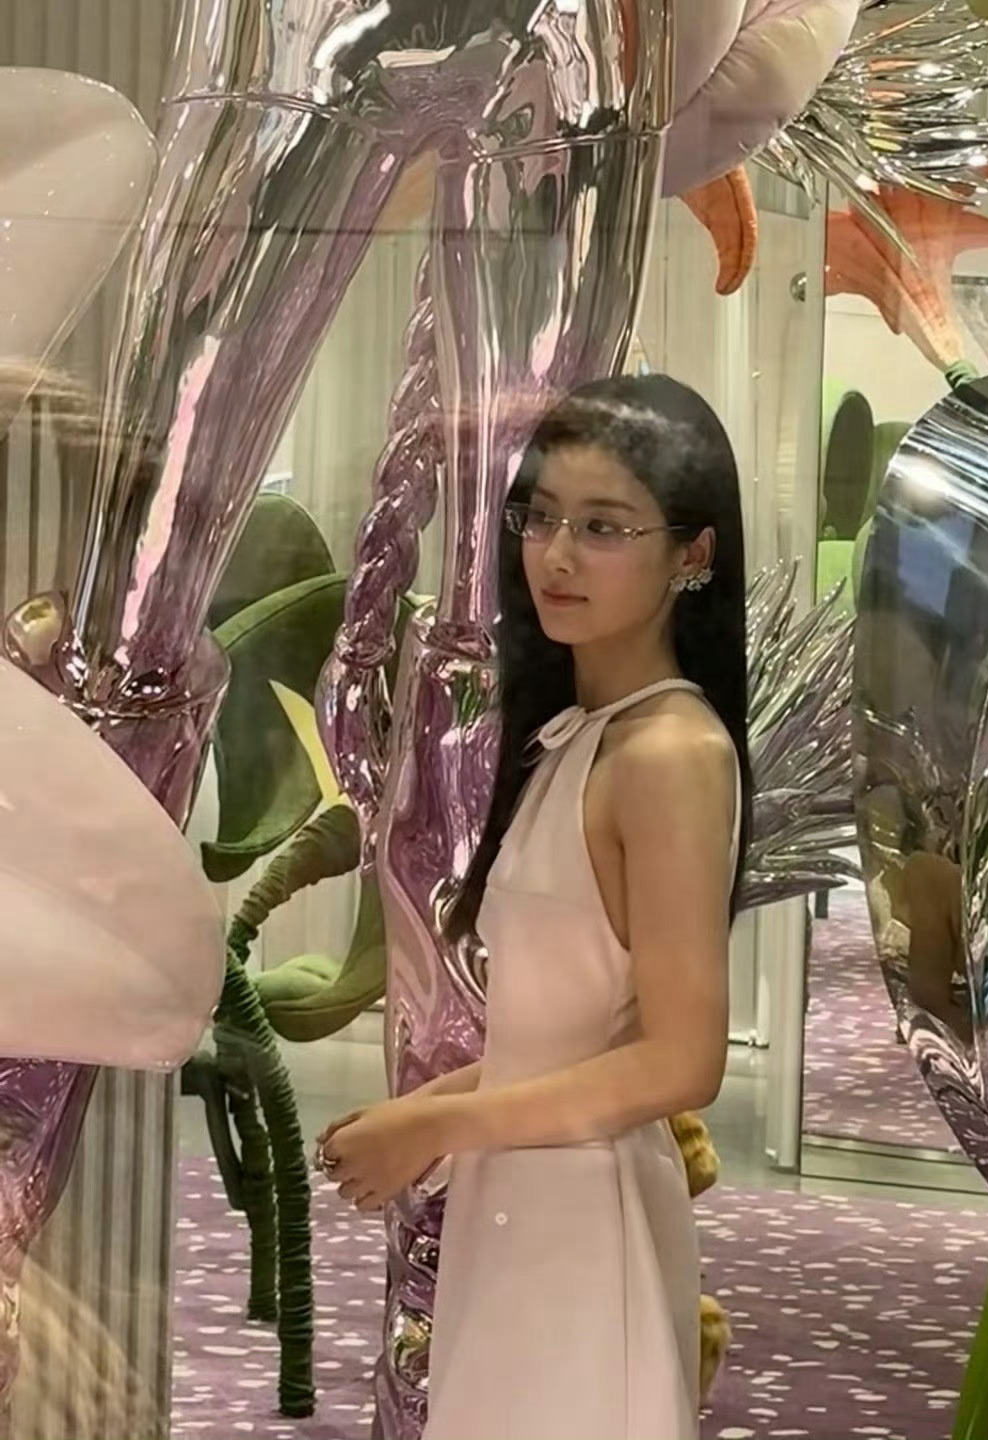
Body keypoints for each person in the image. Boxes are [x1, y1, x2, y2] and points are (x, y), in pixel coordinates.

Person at [319, 374, 751, 1440]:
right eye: (541, 517)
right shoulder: (580, 735)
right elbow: (562, 1037)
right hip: (525, 1197)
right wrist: (428, 1118)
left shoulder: (670, 754)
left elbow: (680, 1061)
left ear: (692, 554)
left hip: (584, 1219)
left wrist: (436, 1122)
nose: (556, 555)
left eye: (603, 527)